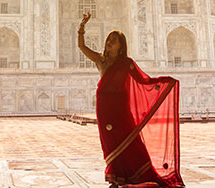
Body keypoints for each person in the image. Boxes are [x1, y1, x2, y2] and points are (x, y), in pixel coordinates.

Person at [78, 12, 185, 188]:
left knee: (129, 140)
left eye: (114, 40)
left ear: (121, 46)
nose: (109, 42)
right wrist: (82, 27)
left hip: (121, 108)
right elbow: (81, 46)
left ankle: (135, 174)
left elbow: (144, 81)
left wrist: (162, 83)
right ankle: (115, 177)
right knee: (110, 143)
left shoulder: (126, 63)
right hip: (105, 108)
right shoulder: (100, 60)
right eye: (108, 39)